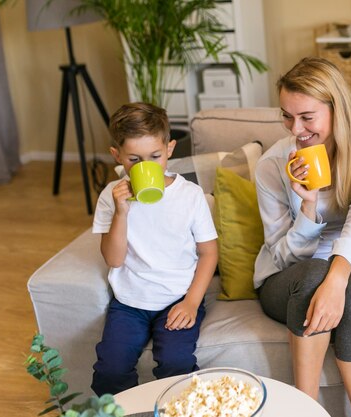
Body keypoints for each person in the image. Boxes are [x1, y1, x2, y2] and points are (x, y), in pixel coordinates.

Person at [253, 57, 351, 417]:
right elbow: (282, 255)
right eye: (287, 115)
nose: (295, 129)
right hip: (286, 278)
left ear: (337, 109)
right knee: (315, 274)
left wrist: (337, 276)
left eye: (306, 117)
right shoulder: (272, 166)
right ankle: (306, 410)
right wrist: (309, 206)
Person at [91, 102, 218, 396]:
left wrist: (191, 302)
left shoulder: (189, 195)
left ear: (170, 149)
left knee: (176, 363)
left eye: (154, 157)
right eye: (134, 159)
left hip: (177, 297)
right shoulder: (111, 197)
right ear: (117, 156)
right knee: (110, 370)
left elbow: (209, 252)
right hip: (129, 303)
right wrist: (122, 212)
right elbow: (114, 258)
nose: (145, 166)